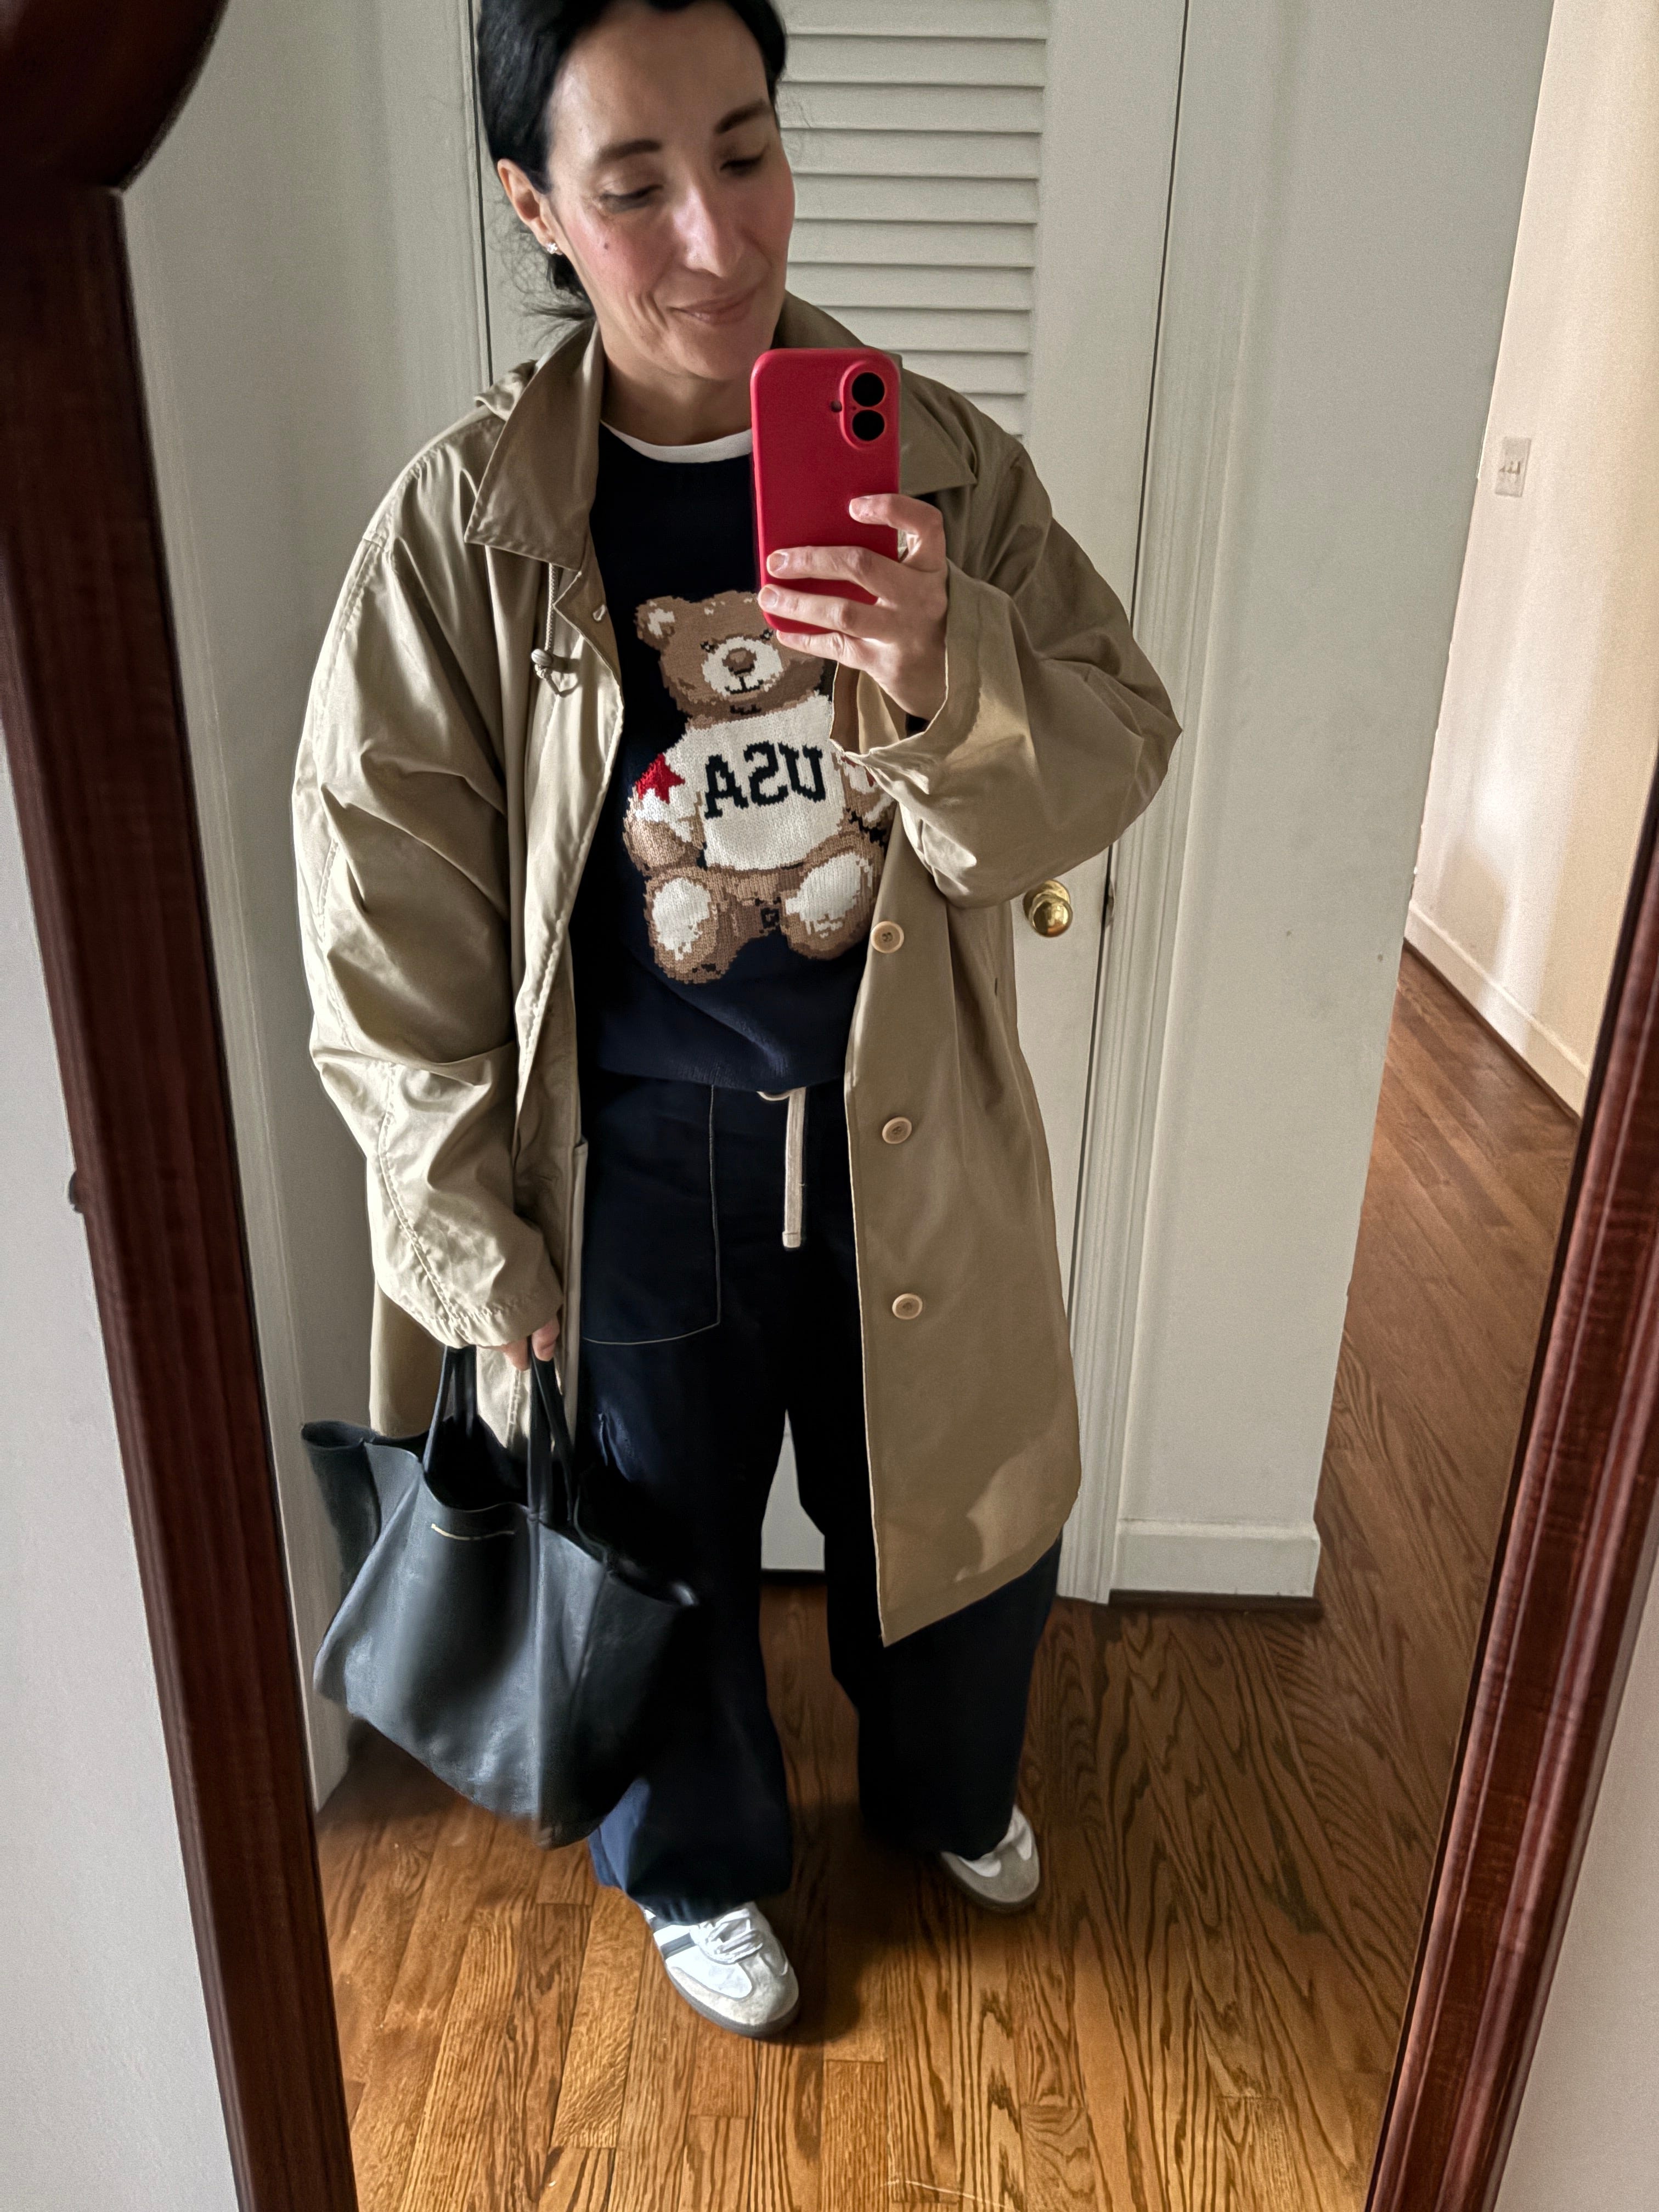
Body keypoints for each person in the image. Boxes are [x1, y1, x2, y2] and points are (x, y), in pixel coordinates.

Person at [293, 0, 1180, 2039]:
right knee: (658, 1543)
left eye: (748, 150)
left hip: (907, 1128)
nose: (717, 233)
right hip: (636, 1167)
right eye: (634, 184)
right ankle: (696, 1867)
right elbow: (384, 915)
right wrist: (468, 1235)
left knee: (958, 1508)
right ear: (535, 206)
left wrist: (949, 665)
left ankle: (943, 1792)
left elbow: (1112, 748)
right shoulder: (464, 527)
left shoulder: (938, 464)